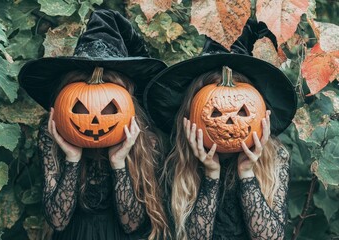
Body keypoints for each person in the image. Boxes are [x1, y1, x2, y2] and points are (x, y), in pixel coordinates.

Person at [19, 9, 170, 240]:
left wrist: (119, 162)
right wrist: (72, 158)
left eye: (109, 106)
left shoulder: (141, 136)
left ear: (126, 100)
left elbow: (132, 224)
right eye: (80, 107)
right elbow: (58, 220)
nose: (95, 120)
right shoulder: (52, 132)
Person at [143, 19, 297, 239]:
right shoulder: (178, 161)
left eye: (242, 112)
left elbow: (270, 237)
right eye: (215, 113)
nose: (230, 123)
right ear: (192, 115)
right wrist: (211, 175)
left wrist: (247, 173)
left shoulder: (275, 157)